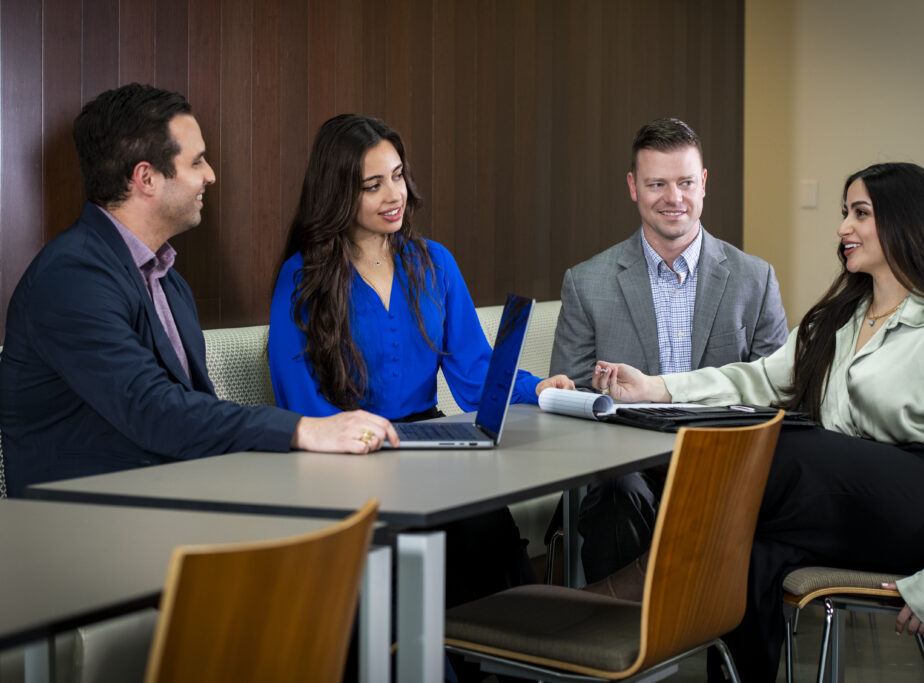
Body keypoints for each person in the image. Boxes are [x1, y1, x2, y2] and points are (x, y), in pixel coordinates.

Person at [592, 162, 924, 682]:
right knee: (751, 553)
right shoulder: (842, 317)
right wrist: (655, 388)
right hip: (839, 502)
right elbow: (759, 378)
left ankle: (640, 582)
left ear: (907, 224)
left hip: (918, 514)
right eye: (844, 213)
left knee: (780, 443)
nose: (842, 228)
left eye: (860, 214)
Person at [0, 84, 398, 498]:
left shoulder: (168, 281)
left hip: (172, 502)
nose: (210, 175)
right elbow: (152, 411)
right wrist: (304, 428)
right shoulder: (71, 277)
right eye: (197, 161)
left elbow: (192, 420)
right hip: (84, 526)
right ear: (146, 178)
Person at [268, 114, 573, 610]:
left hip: (431, 447)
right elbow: (300, 401)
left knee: (485, 522)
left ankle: (515, 654)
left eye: (398, 175)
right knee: (434, 540)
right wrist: (359, 443)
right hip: (350, 460)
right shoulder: (301, 278)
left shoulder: (435, 263)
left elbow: (476, 375)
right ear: (338, 192)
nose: (395, 195)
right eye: (372, 185)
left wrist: (539, 389)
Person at [548, 117, 789, 581]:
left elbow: (777, 391)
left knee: (770, 505)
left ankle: (725, 651)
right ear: (633, 187)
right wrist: (588, 398)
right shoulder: (586, 282)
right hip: (623, 466)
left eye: (684, 183)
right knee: (617, 494)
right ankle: (630, 648)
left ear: (703, 184)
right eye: (656, 184)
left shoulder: (754, 279)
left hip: (722, 462)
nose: (672, 198)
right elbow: (569, 398)